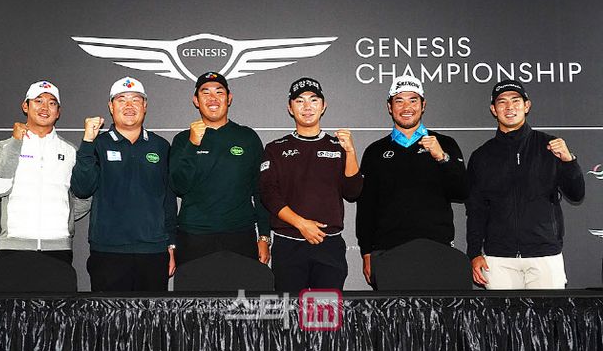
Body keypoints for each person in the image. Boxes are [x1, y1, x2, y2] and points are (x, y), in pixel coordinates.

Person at [466, 79, 585, 289]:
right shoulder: (481, 156)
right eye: (502, 102)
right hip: (498, 259)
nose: (509, 107)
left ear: (527, 105)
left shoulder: (550, 146)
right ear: (493, 109)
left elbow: (576, 194)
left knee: (548, 313)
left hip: (545, 255)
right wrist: (474, 253)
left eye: (515, 100)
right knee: (501, 314)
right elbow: (476, 210)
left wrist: (569, 161)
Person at [356, 75, 467, 287]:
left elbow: (462, 192)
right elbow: (366, 207)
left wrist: (442, 158)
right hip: (388, 252)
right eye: (399, 101)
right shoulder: (375, 151)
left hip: (437, 249)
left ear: (423, 105)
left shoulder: (445, 144)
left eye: (413, 100)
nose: (406, 107)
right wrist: (366, 252)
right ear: (389, 107)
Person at [71, 77, 176, 291]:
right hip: (108, 252)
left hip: (153, 251)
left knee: (152, 314)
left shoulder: (161, 146)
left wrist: (171, 244)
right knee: (108, 314)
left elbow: (168, 200)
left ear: (145, 106)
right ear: (111, 107)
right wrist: (87, 143)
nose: (129, 105)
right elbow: (82, 188)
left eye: (135, 100)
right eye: (121, 100)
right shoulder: (97, 144)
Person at [260, 77, 363, 291]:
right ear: (290, 108)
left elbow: (353, 192)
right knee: (289, 311)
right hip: (288, 244)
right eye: (300, 101)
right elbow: (268, 194)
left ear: (323, 106)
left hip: (329, 244)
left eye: (313, 100)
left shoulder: (338, 147)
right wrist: (301, 224)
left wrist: (351, 151)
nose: (307, 107)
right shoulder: (275, 148)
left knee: (325, 311)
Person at [169, 72, 270, 267]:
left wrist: (264, 236)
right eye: (205, 92)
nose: (212, 98)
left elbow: (260, 191)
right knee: (194, 289)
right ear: (196, 100)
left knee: (240, 288)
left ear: (229, 98)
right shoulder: (182, 140)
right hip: (193, 236)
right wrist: (192, 145)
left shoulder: (247, 137)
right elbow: (178, 186)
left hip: (240, 235)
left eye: (219, 92)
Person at [0, 80, 90, 266]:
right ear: (25, 106)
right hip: (13, 246)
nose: (45, 108)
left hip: (59, 248)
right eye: (38, 101)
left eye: (52, 103)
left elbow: (85, 197)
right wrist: (16, 143)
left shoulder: (70, 151)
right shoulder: (4, 147)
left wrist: (63, 218)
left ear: (58, 112)